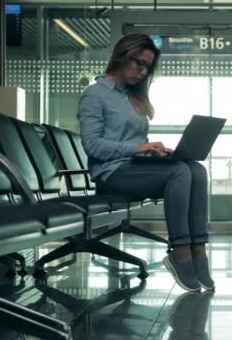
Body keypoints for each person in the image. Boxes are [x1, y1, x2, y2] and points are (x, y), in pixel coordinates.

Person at [77, 34, 214, 292]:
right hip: (112, 174)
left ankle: (199, 249)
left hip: (134, 167)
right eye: (138, 63)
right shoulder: (95, 95)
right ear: (121, 57)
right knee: (179, 174)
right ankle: (180, 251)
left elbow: (133, 143)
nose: (142, 71)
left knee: (196, 169)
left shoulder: (131, 97)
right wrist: (139, 147)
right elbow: (92, 146)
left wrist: (152, 151)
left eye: (147, 67)